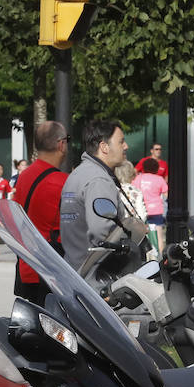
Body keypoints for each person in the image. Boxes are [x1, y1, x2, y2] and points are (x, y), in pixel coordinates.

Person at [60, 119, 133, 278]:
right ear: (104, 147)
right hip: (95, 278)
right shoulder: (98, 180)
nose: (126, 146)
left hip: (75, 271)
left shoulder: (79, 174)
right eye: (121, 142)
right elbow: (103, 232)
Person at [13, 121, 70, 303]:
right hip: (52, 269)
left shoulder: (24, 176)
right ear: (61, 144)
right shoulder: (62, 181)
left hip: (27, 264)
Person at [133, 157, 169, 256]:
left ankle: (146, 256)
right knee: (159, 236)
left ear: (144, 167)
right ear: (156, 168)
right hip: (157, 210)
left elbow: (134, 191)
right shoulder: (159, 179)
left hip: (143, 211)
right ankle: (160, 258)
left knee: (143, 235)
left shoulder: (138, 178)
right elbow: (166, 194)